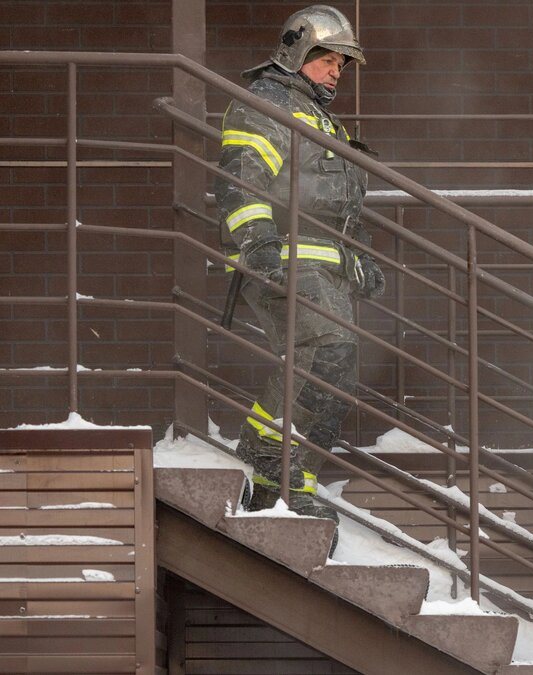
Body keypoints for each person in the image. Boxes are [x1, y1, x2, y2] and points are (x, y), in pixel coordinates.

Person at [213, 4, 383, 525]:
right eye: (327, 60)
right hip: (283, 257)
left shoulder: (322, 118)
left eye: (341, 65)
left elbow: (337, 205)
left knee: (337, 373)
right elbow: (241, 178)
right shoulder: (266, 104)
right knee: (329, 351)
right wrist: (258, 242)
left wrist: (360, 255)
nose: (336, 72)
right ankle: (268, 462)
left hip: (327, 266)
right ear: (296, 52)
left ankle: (292, 481)